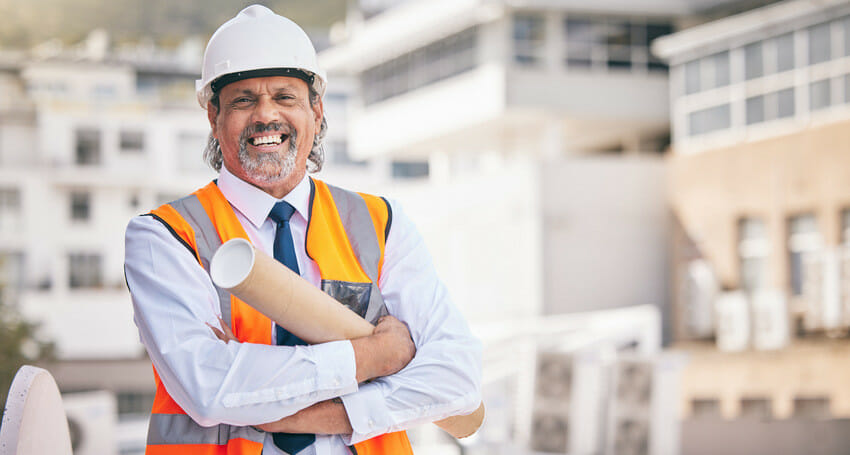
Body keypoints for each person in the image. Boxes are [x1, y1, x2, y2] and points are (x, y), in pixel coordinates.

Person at [123, 4, 482, 455]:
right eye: (243, 100)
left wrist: (321, 413)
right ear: (213, 117)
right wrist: (372, 358)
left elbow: (458, 378)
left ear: (316, 109)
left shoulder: (380, 223)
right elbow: (209, 385)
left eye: (285, 97)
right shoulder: (164, 236)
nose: (265, 116)